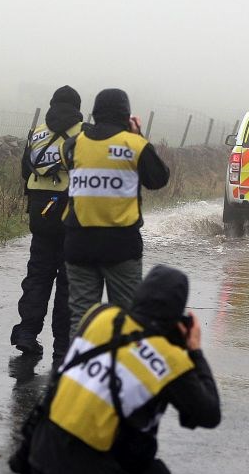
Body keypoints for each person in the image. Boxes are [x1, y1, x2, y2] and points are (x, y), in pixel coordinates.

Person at [26, 264, 220, 474]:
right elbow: (209, 414)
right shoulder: (171, 360)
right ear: (177, 317)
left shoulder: (99, 317)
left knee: (89, 433)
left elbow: (57, 384)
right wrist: (195, 351)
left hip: (42, 466)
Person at [61, 88, 169, 336]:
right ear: (126, 114)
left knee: (82, 318)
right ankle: (122, 372)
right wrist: (137, 133)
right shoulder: (134, 144)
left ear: (95, 113)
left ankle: (81, 372)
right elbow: (158, 179)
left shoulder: (73, 145)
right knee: (128, 317)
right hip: (121, 245)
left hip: (79, 243)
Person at [9, 85, 85, 362]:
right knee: (68, 282)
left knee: (38, 275)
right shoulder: (83, 133)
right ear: (78, 107)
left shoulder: (37, 132)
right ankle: (62, 346)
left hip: (40, 213)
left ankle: (27, 333)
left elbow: (24, 170)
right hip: (72, 214)